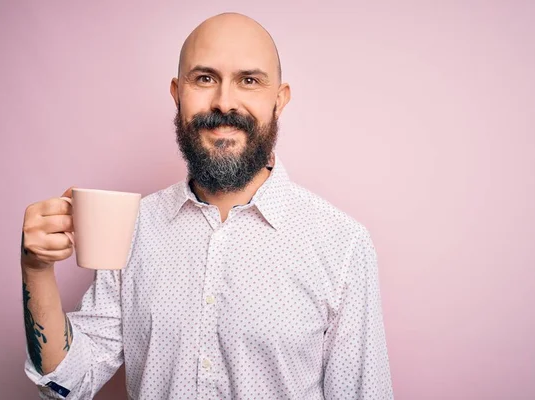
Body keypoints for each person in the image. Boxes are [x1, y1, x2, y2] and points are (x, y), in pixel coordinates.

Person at [21, 12, 394, 399]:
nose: (224, 102)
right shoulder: (133, 227)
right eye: (204, 79)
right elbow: (69, 382)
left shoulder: (342, 245)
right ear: (177, 94)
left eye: (248, 81)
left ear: (279, 100)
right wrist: (36, 269)